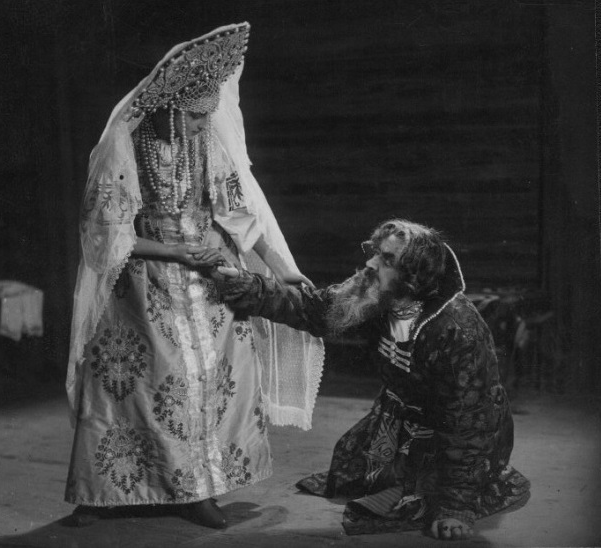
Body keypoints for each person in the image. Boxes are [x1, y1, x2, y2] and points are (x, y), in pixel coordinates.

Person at [64, 23, 324, 529]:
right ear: (168, 109)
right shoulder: (126, 146)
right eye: (196, 116)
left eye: (208, 116)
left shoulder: (208, 147)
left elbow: (240, 216)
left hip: (208, 283)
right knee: (133, 385)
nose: (206, 125)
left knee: (212, 379)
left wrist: (283, 269)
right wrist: (177, 253)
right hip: (144, 285)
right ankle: (104, 492)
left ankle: (198, 490)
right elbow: (106, 235)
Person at [214, 219, 530, 539]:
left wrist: (456, 507)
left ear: (414, 274)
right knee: (359, 474)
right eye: (376, 252)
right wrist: (248, 286)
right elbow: (314, 308)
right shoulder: (377, 294)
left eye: (387, 259)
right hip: (400, 417)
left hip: (457, 430)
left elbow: (470, 420)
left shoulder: (457, 327)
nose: (370, 264)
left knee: (422, 497)